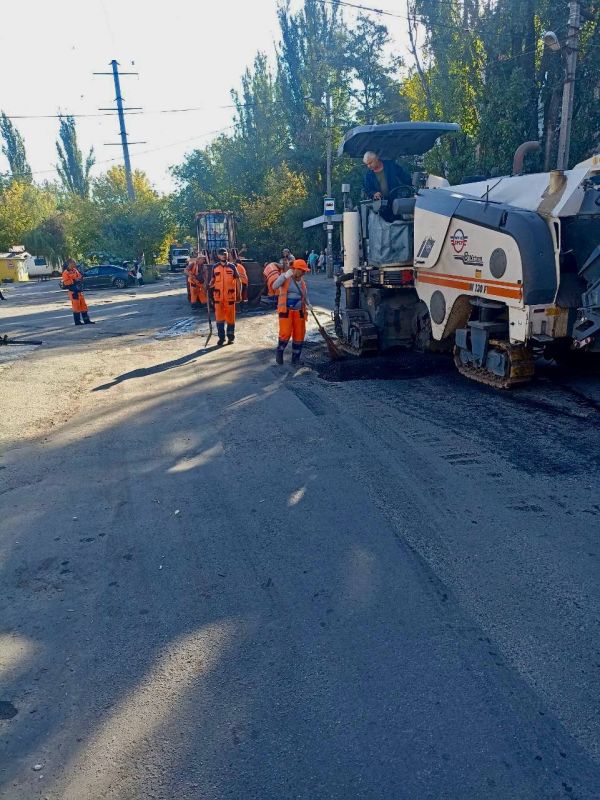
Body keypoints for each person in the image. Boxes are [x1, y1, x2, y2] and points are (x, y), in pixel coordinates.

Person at [273, 258, 310, 366]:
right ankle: (279, 352)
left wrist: (309, 304)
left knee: (299, 335)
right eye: (302, 270)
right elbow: (274, 286)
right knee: (285, 333)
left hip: (299, 312)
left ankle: (296, 359)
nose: (303, 272)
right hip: (286, 311)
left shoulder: (302, 282)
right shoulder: (286, 277)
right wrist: (284, 276)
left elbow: (305, 296)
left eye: (304, 271)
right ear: (296, 269)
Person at [209, 248, 245, 346]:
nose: (224, 256)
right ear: (218, 256)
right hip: (218, 298)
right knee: (219, 319)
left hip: (230, 297)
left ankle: (230, 338)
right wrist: (209, 285)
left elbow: (238, 281)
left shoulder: (232, 267)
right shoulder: (215, 267)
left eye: (225, 254)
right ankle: (221, 338)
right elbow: (213, 280)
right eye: (221, 254)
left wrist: (239, 293)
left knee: (230, 318)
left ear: (227, 255)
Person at [61, 259, 94, 325]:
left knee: (83, 306)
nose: (75, 264)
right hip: (73, 292)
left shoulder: (75, 270)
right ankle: (77, 321)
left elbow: (79, 277)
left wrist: (80, 277)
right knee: (76, 307)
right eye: (74, 263)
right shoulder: (65, 272)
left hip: (79, 291)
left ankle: (86, 320)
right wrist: (74, 280)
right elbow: (65, 282)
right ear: (70, 263)